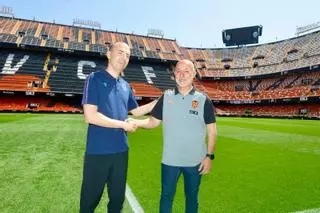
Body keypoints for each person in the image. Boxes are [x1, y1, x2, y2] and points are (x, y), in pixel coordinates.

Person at [130, 59, 217, 213]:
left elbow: (212, 131)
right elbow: (153, 122)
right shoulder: (166, 96)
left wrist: (209, 156)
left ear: (193, 75)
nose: (182, 75)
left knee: (192, 198)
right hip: (170, 160)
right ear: (174, 74)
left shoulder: (204, 99)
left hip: (195, 161)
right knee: (166, 197)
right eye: (178, 71)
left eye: (186, 71)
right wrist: (136, 122)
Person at [80, 42, 156, 213]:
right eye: (120, 52)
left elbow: (135, 111)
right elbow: (90, 116)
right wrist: (123, 124)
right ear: (109, 54)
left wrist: (158, 102)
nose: (124, 57)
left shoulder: (125, 85)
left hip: (121, 151)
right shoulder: (94, 78)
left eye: (128, 55)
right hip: (98, 152)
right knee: (89, 202)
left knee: (117, 201)